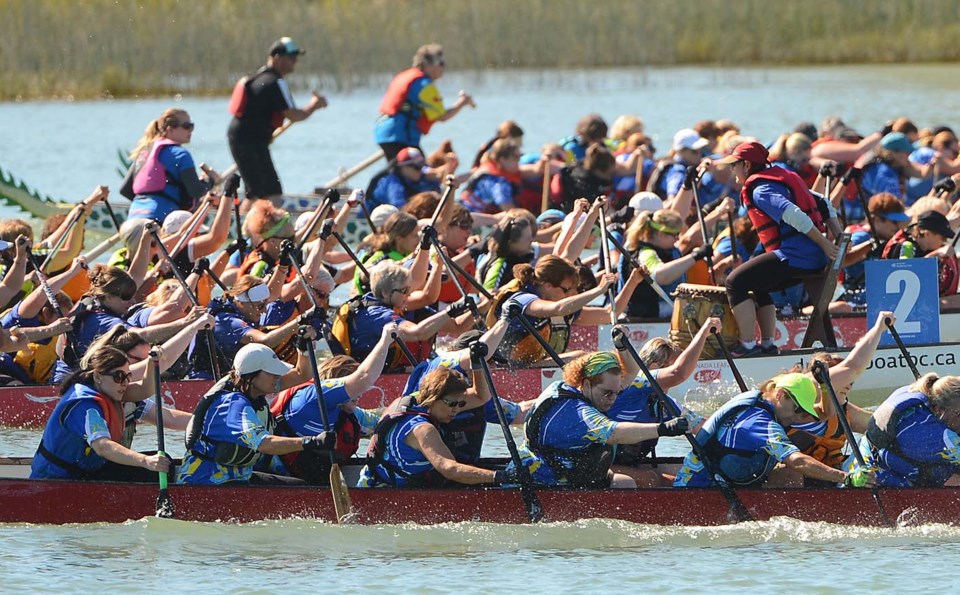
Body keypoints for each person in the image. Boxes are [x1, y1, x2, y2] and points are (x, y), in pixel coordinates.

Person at [719, 141, 841, 357]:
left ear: (746, 165)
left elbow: (793, 214)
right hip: (812, 258)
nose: (732, 170)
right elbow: (824, 203)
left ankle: (747, 346)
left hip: (798, 258)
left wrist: (826, 243)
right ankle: (767, 345)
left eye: (734, 165)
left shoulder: (761, 190)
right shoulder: (782, 178)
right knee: (759, 283)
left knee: (734, 282)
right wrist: (838, 238)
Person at [511, 351, 689, 488]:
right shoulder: (580, 414)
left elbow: (631, 373)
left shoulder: (564, 387)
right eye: (608, 393)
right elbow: (616, 433)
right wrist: (663, 428)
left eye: (617, 392)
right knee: (632, 483)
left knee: (625, 483)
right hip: (541, 480)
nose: (613, 398)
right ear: (587, 384)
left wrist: (621, 348)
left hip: (558, 469)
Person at [674, 373, 872, 489]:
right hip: (700, 487)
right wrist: (846, 478)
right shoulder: (759, 423)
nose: (799, 417)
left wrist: (825, 386)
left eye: (804, 412)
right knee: (793, 471)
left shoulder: (769, 406)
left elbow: (824, 417)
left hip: (725, 480)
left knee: (790, 475)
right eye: (798, 409)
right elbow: (798, 460)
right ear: (780, 395)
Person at [177, 340, 333, 485]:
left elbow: (302, 375)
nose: (277, 377)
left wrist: (303, 348)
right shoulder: (233, 405)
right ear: (251, 376)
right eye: (271, 372)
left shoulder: (256, 392)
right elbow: (265, 444)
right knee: (296, 492)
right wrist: (311, 441)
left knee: (300, 485)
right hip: (206, 481)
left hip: (239, 476)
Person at [269, 323, 397, 484]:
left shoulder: (348, 412)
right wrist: (385, 340)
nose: (360, 393)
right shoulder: (311, 398)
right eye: (350, 388)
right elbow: (363, 378)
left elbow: (384, 420)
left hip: (311, 477)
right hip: (278, 476)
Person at [30, 345, 170, 481]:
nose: (125, 383)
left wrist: (152, 363)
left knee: (164, 463)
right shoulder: (85, 406)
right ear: (98, 376)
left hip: (86, 472)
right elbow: (103, 447)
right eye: (119, 376)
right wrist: (144, 460)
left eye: (128, 376)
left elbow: (144, 390)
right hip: (56, 480)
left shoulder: (108, 388)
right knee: (152, 469)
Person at [606, 320, 719, 485]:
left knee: (679, 478)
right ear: (654, 368)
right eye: (670, 366)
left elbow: (704, 428)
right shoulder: (635, 382)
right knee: (652, 479)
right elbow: (678, 373)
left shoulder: (665, 403)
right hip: (596, 466)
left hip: (621, 466)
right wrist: (704, 332)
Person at [357, 367, 509, 487]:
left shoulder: (413, 400)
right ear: (434, 398)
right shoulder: (422, 429)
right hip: (389, 490)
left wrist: (476, 365)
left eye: (461, 404)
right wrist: (499, 476)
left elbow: (480, 397)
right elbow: (450, 470)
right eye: (452, 404)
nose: (457, 410)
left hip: (373, 477)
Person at [486, 255, 644, 365]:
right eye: (568, 289)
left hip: (532, 367)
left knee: (592, 357)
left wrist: (633, 281)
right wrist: (598, 290)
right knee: (582, 357)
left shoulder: (560, 302)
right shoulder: (522, 299)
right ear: (547, 285)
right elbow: (558, 309)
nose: (574, 295)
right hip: (507, 368)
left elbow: (609, 314)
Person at [227, 37, 327, 205]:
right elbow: (294, 115)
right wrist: (314, 105)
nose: (295, 62)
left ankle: (244, 225)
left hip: (242, 137)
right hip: (250, 141)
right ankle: (265, 228)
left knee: (255, 192)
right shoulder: (275, 82)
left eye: (296, 57)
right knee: (272, 192)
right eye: (291, 57)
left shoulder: (258, 77)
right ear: (276, 57)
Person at [848, 372, 960, 487]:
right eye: (959, 414)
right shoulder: (932, 434)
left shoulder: (922, 391)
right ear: (939, 409)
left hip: (863, 456)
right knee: (942, 472)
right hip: (876, 478)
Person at [374, 43, 474, 160]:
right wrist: (462, 102)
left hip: (385, 133)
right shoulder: (424, 85)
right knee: (419, 173)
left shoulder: (405, 76)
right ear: (427, 64)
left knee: (403, 172)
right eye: (440, 63)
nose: (443, 68)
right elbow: (442, 116)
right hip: (400, 136)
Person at [121, 108, 219, 223]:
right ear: (170, 129)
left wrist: (147, 205)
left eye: (192, 126)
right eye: (187, 126)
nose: (190, 131)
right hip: (161, 219)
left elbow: (125, 190)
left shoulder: (145, 152)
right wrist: (211, 180)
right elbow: (196, 191)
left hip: (133, 217)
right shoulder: (180, 154)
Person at [621, 208, 712, 318]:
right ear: (660, 234)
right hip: (643, 314)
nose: (677, 239)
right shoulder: (645, 253)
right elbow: (660, 276)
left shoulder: (666, 250)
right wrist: (696, 256)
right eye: (675, 235)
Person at [881, 210, 957, 296]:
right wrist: (937, 254)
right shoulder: (906, 247)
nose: (944, 242)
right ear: (927, 234)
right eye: (943, 238)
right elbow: (905, 277)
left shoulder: (925, 249)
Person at [459, 139, 522, 214]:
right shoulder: (498, 182)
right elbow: (507, 208)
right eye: (516, 157)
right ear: (502, 160)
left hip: (462, 207)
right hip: (471, 216)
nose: (519, 160)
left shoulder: (487, 169)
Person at [365, 148, 439, 210]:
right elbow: (399, 207)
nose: (421, 171)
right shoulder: (394, 184)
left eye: (422, 166)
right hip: (369, 219)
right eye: (417, 167)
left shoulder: (417, 176)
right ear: (404, 167)